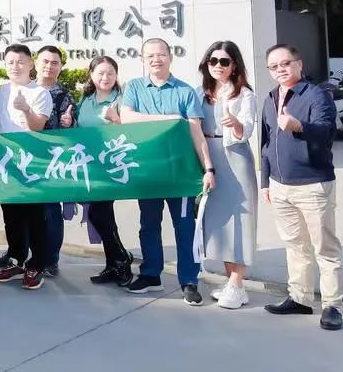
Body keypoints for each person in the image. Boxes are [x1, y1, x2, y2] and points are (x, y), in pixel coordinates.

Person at [119, 38, 213, 306]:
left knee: (184, 226)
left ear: (170, 57)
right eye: (150, 55)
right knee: (149, 224)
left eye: (161, 54)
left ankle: (189, 280)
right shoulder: (135, 87)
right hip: (148, 171)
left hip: (180, 173)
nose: (156, 59)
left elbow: (196, 132)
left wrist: (208, 167)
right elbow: (127, 118)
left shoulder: (185, 91)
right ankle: (151, 274)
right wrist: (170, 119)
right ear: (143, 59)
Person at [261, 44, 343, 331]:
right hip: (280, 186)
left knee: (325, 248)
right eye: (274, 66)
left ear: (299, 64)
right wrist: (266, 181)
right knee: (295, 246)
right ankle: (300, 298)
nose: (280, 69)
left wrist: (299, 126)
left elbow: (327, 131)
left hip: (313, 184)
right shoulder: (271, 97)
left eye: (286, 63)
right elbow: (266, 143)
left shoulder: (316, 95)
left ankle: (333, 305)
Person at [196, 41, 258, 311]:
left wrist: (235, 123)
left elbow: (248, 129)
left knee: (240, 221)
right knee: (219, 222)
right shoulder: (200, 93)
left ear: (234, 66)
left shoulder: (244, 94)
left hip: (235, 157)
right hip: (208, 157)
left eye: (224, 61)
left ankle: (236, 282)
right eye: (213, 61)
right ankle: (234, 285)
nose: (218, 66)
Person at [0, 44, 52, 291]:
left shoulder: (40, 92)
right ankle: (16, 260)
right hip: (7, 164)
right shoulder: (0, 91)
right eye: (10, 62)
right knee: (11, 216)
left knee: (35, 216)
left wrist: (26, 109)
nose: (15, 66)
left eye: (20, 61)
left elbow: (37, 127)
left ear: (31, 64)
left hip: (32, 164)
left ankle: (37, 264)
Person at [75, 56, 133, 287]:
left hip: (113, 166)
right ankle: (114, 263)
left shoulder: (121, 98)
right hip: (91, 166)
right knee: (104, 215)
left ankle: (121, 258)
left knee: (98, 213)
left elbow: (133, 132)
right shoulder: (85, 100)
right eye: (100, 73)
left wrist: (116, 119)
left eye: (110, 73)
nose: (105, 77)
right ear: (91, 75)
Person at [36, 45, 75, 278]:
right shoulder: (26, 89)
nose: (49, 67)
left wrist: (68, 122)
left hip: (53, 161)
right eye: (45, 61)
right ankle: (20, 254)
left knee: (51, 210)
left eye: (54, 63)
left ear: (60, 67)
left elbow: (74, 129)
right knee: (25, 210)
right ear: (36, 62)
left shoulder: (64, 95)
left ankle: (51, 259)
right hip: (26, 158)